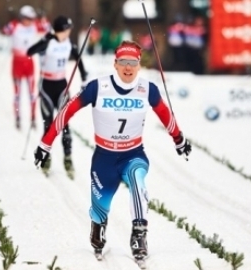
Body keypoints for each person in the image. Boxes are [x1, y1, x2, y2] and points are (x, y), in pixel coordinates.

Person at [33, 41, 192, 261]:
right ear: (115, 64)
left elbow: (166, 115)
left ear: (139, 65)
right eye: (123, 62)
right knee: (100, 210)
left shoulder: (148, 89)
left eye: (133, 63)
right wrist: (45, 144)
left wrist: (179, 140)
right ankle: (98, 227)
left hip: (133, 154)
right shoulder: (97, 87)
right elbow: (66, 113)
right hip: (104, 158)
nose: (128, 68)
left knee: (138, 181)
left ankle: (139, 235)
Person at [27, 15, 87, 177]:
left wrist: (84, 78)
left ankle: (68, 158)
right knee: (48, 126)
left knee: (64, 125)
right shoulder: (49, 42)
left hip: (62, 87)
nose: (69, 32)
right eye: (68, 29)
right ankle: (46, 158)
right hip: (47, 87)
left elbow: (79, 61)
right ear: (62, 29)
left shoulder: (68, 44)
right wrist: (44, 41)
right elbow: (29, 52)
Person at [2, 5, 50, 129]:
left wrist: (43, 18)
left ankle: (33, 118)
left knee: (32, 93)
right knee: (17, 93)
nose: (30, 21)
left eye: (32, 18)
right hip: (17, 62)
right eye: (27, 18)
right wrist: (9, 23)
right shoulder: (15, 25)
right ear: (22, 17)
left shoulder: (34, 25)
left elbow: (48, 28)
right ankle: (17, 118)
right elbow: (4, 31)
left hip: (29, 62)